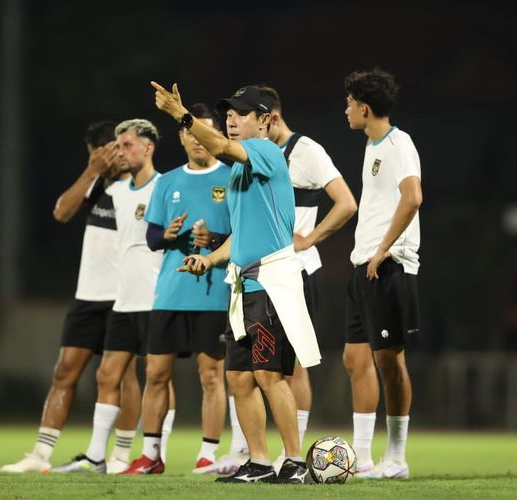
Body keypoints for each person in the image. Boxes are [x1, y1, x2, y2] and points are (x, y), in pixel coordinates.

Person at [151, 81, 321, 484]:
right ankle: (259, 463)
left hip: (270, 284)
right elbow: (240, 236)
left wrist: (181, 116)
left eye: (241, 113)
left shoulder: (263, 150)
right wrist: (208, 258)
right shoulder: (238, 173)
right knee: (238, 378)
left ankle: (294, 462)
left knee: (268, 375)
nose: (231, 119)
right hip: (243, 286)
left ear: (264, 121)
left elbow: (222, 148)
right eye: (228, 113)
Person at [1, 121, 146, 473]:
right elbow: (62, 211)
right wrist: (91, 170)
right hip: (88, 295)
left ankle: (121, 456)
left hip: (124, 295)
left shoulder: (142, 185)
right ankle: (40, 455)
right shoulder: (95, 183)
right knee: (64, 371)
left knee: (121, 376)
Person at [51, 119, 166, 474]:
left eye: (126, 145)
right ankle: (96, 455)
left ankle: (144, 453)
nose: (120, 153)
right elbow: (62, 212)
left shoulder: (162, 186)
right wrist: (91, 172)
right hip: (112, 298)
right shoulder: (110, 190)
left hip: (147, 294)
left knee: (154, 375)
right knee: (106, 374)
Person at [124, 103, 231, 475]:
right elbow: (152, 236)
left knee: (211, 376)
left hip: (214, 292)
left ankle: (208, 455)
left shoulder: (232, 177)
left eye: (205, 132)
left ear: (215, 137)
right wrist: (168, 236)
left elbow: (242, 236)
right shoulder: (166, 182)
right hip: (170, 291)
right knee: (155, 375)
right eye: (191, 131)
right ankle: (150, 455)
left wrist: (215, 238)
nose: (197, 139)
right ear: (183, 137)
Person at [258, 85, 357, 470]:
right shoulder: (257, 154)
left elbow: (347, 202)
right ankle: (253, 452)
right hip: (261, 274)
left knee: (295, 364)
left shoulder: (308, 152)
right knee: (254, 365)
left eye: (255, 120)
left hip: (298, 272)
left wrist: (311, 238)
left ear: (273, 118)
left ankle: (292, 454)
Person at [341, 67, 423, 480]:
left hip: (388, 267)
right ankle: (362, 456)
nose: (346, 111)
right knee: (355, 357)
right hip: (365, 267)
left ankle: (397, 458)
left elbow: (413, 198)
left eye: (350, 104)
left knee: (389, 362)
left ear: (365, 108)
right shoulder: (373, 147)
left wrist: (383, 249)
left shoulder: (398, 144)